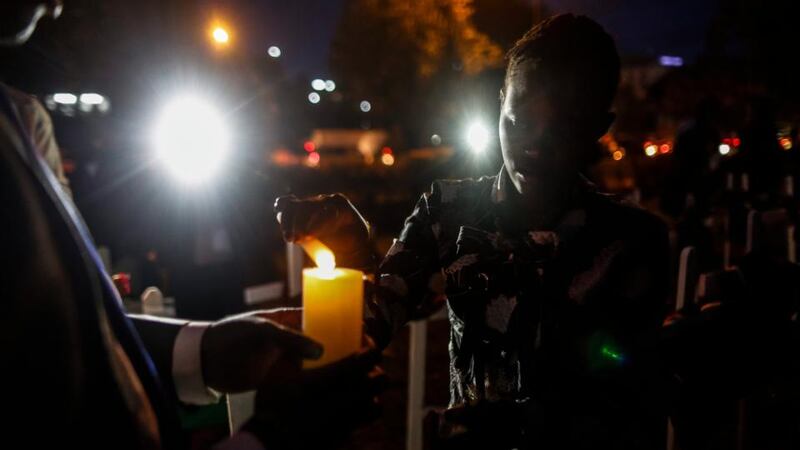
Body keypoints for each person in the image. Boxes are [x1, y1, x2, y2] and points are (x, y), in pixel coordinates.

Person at [276, 14, 670, 449]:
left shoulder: (629, 240)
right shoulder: (449, 212)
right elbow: (374, 321)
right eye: (518, 120)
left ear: (598, 127)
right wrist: (350, 254)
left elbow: (636, 389)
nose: (533, 145)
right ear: (501, 102)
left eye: (559, 128)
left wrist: (529, 419)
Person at [0, 1, 383, 448]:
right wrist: (270, 438)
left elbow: (65, 338)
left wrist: (201, 351)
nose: (59, 4)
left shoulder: (20, 118)